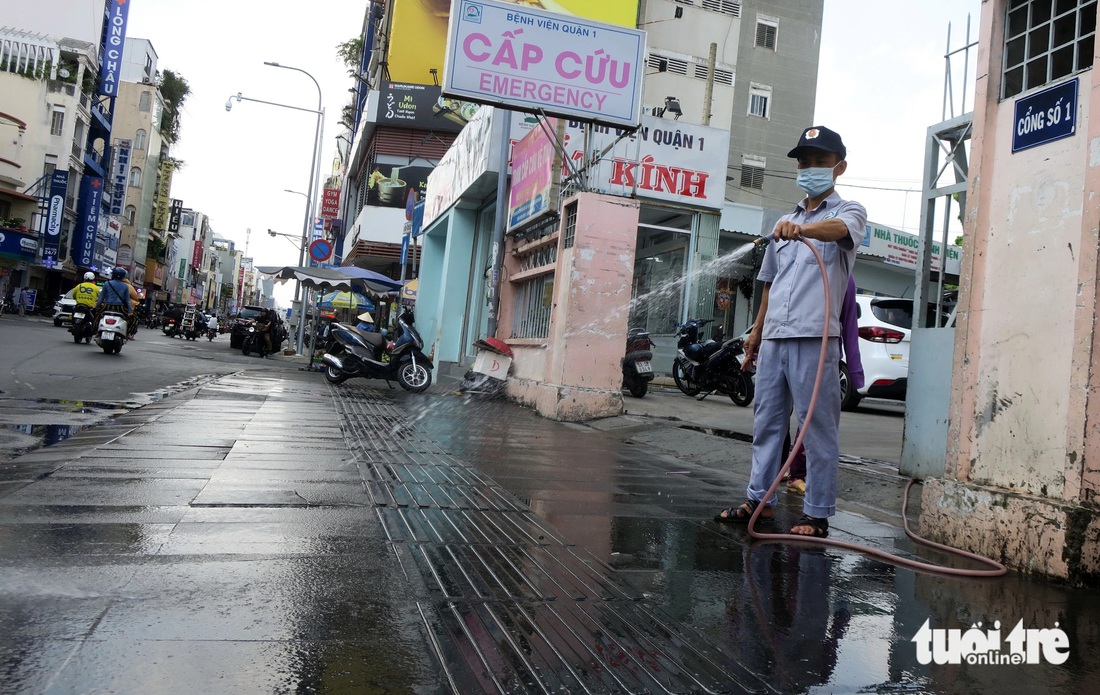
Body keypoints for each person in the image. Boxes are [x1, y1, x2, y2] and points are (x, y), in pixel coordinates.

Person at [714, 125, 867, 538]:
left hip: (815, 338)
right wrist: (755, 333)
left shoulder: (849, 211)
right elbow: (770, 285)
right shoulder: (783, 220)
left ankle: (817, 514)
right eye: (803, 162)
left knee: (816, 427)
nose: (809, 169)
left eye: (819, 162)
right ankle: (758, 499)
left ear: (839, 167)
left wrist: (806, 230)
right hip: (776, 338)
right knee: (767, 423)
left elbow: (839, 232)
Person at [784, 274, 864, 495]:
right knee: (776, 417)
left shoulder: (844, 277)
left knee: (811, 420)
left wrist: (855, 371)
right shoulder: (797, 271)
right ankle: (784, 468)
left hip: (823, 357)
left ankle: (797, 474)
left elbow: (849, 325)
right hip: (788, 350)